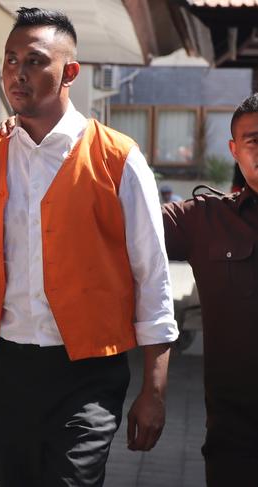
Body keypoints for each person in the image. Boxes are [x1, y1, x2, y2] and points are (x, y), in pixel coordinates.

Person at [0, 8, 178, 487]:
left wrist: (155, 390)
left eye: (35, 61)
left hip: (89, 372)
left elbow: (153, 276)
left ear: (69, 72)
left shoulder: (118, 158)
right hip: (5, 368)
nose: (18, 73)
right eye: (11, 59)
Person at [162, 92, 258, 486]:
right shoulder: (206, 221)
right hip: (235, 438)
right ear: (234, 151)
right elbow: (124, 219)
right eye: (254, 141)